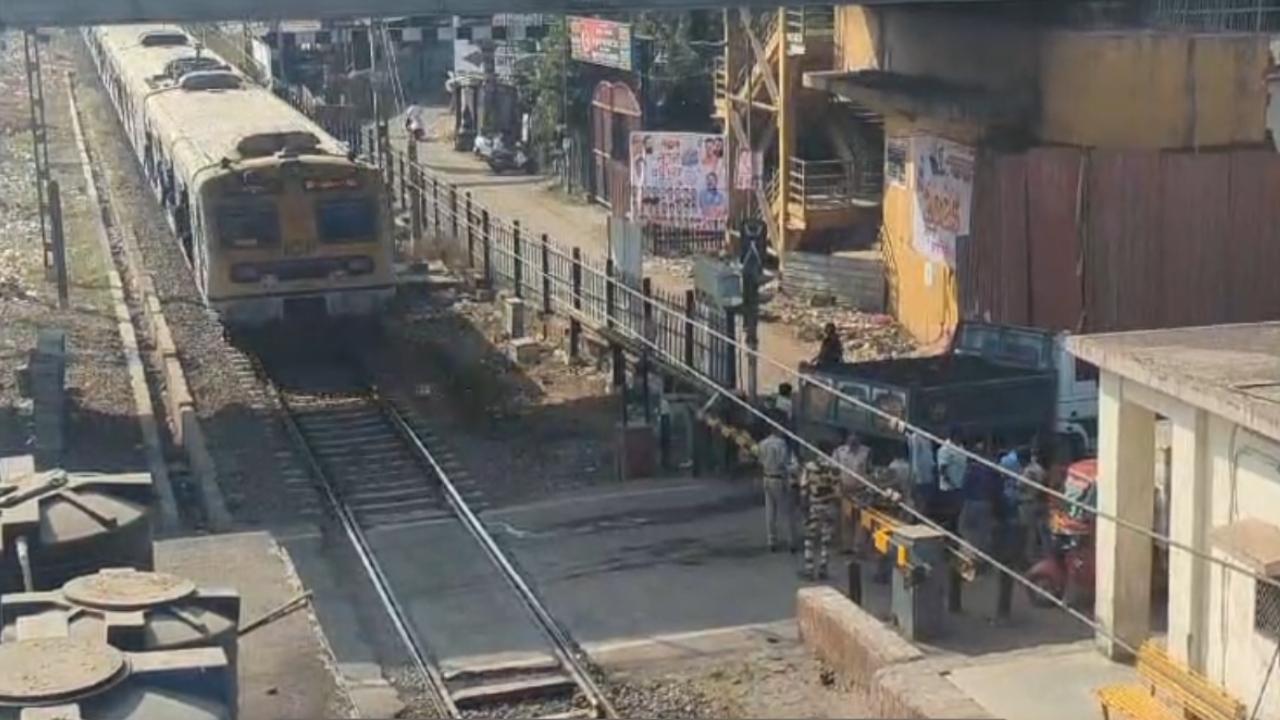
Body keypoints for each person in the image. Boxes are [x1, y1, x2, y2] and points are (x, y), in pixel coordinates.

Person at [758, 420, 799, 553]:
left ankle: (772, 541)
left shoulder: (762, 443)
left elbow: (759, 459)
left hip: (767, 477)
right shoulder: (782, 444)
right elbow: (784, 462)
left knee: (770, 512)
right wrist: (793, 469)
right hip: (780, 478)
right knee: (787, 511)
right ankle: (791, 541)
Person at [800, 455, 840, 580]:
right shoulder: (834, 467)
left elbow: (803, 487)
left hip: (814, 505)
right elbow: (838, 491)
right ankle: (823, 567)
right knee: (825, 538)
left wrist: (803, 504)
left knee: (809, 538)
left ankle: (809, 568)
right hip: (829, 506)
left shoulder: (809, 466)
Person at [832, 429, 870, 554]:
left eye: (856, 435)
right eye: (851, 436)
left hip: (860, 491)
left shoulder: (866, 452)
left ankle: (858, 547)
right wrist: (837, 488)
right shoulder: (839, 452)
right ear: (847, 438)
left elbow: (869, 472)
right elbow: (834, 471)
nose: (853, 438)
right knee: (845, 519)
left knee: (860, 521)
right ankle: (846, 546)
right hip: (845, 490)